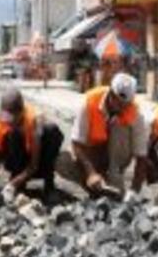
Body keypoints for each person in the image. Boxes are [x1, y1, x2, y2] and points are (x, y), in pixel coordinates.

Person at [59, 73, 148, 201]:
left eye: (124, 104)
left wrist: (134, 190)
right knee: (63, 161)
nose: (120, 107)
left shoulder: (136, 115)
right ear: (110, 92)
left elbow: (141, 156)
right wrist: (91, 173)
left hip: (115, 162)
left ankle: (111, 179)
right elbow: (76, 142)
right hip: (92, 155)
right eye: (118, 102)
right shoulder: (90, 102)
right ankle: (95, 187)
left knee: (119, 129)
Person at [0, 88, 64, 202]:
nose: (10, 123)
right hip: (16, 160)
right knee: (13, 133)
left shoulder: (36, 121)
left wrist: (12, 184)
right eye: (7, 119)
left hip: (38, 161)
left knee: (52, 130)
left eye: (13, 119)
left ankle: (49, 186)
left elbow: (34, 166)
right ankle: (19, 183)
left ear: (21, 112)